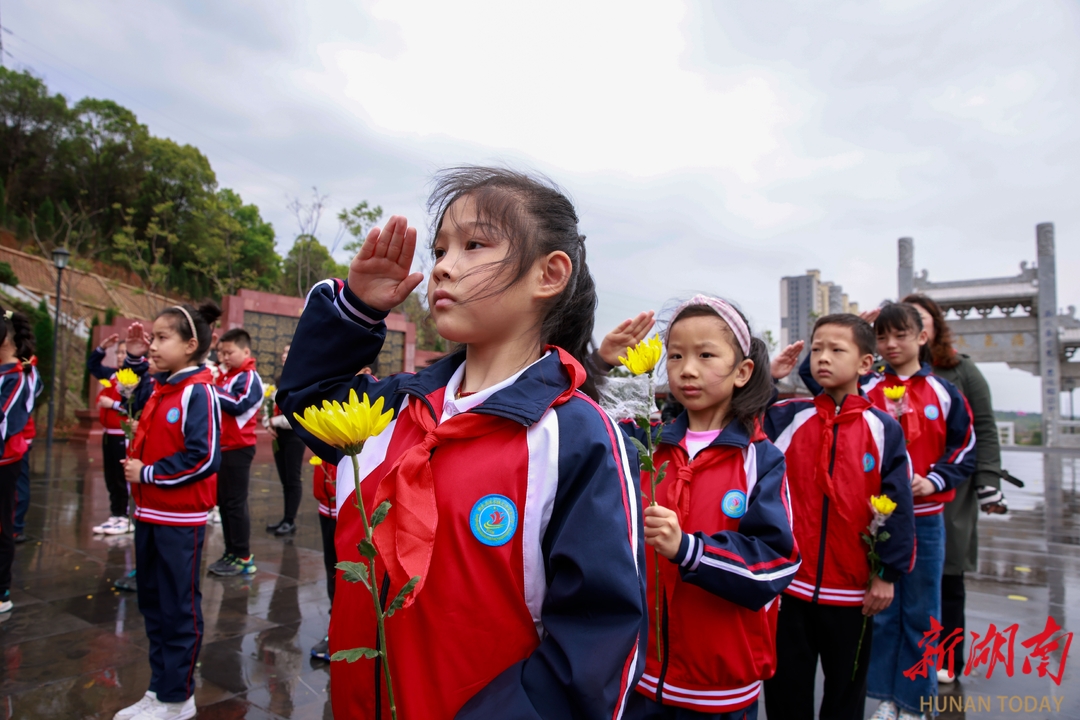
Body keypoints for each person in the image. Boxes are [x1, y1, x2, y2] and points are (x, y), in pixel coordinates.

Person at [278, 167, 646, 719]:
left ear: (548, 274)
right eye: (441, 248)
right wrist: (357, 308)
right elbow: (310, 399)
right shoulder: (396, 407)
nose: (444, 266)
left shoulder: (575, 436)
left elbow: (594, 648)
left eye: (474, 245)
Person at [597, 298, 798, 720]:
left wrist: (690, 550)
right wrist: (599, 363)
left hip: (719, 689)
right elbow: (577, 419)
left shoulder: (760, 459)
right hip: (640, 677)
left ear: (742, 372)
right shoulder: (646, 444)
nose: (687, 369)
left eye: (705, 355)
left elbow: (776, 564)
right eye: (675, 355)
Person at [763, 314, 915, 720]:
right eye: (816, 349)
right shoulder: (786, 417)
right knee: (785, 690)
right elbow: (739, 427)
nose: (823, 358)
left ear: (866, 364)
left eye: (836, 349)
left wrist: (887, 574)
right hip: (790, 588)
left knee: (845, 691)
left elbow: (897, 503)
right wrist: (768, 381)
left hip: (852, 593)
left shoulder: (882, 428)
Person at [857, 303, 975, 720]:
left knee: (922, 612)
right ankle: (888, 698)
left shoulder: (945, 392)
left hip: (926, 519)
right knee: (883, 611)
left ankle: (916, 701)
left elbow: (964, 448)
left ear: (921, 337)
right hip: (880, 521)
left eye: (900, 335)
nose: (890, 345)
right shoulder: (867, 391)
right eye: (882, 337)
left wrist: (934, 480)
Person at [112, 302, 222, 720]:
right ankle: (160, 688)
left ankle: (178, 696)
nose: (154, 346)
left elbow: (204, 457)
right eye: (153, 338)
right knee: (153, 603)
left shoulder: (199, 391)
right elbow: (131, 391)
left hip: (179, 519)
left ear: (191, 345)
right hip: (151, 515)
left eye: (162, 338)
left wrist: (149, 473)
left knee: (178, 606)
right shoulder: (163, 387)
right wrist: (136, 356)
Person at [208, 328, 263, 577]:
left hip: (239, 448)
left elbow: (239, 404)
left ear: (246, 351)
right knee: (225, 503)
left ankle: (242, 556)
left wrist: (209, 388)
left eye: (229, 352)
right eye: (222, 352)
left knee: (235, 504)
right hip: (223, 447)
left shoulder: (249, 377)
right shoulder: (226, 377)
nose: (224, 357)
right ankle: (230, 552)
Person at [0, 307, 36, 613]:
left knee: (3, 524)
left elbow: (6, 421)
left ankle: (1, 592)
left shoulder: (17, 377)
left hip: (5, 462)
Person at [88, 334, 140, 536]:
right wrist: (102, 347)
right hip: (108, 432)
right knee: (110, 474)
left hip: (123, 433)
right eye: (118, 352)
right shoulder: (112, 376)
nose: (120, 356)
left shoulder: (133, 377)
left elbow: (134, 405)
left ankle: (126, 516)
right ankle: (115, 514)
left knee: (121, 475)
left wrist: (114, 405)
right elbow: (93, 367)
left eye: (124, 353)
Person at [265, 343, 304, 536]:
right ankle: (285, 517)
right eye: (283, 351)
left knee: (293, 478)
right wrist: (268, 425)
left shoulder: (302, 379)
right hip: (278, 435)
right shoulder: (279, 379)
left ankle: (290, 520)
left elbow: (297, 413)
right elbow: (270, 405)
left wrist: (275, 421)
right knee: (284, 479)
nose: (283, 356)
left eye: (288, 352)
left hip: (294, 435)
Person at [12, 344, 42, 544]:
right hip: (13, 434)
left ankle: (16, 526)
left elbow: (30, 396)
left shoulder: (24, 367)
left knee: (17, 482)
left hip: (17, 436)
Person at [308, 455, 337, 662]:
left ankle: (344, 631)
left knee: (347, 573)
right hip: (327, 500)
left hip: (347, 498)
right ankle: (335, 627)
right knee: (332, 569)